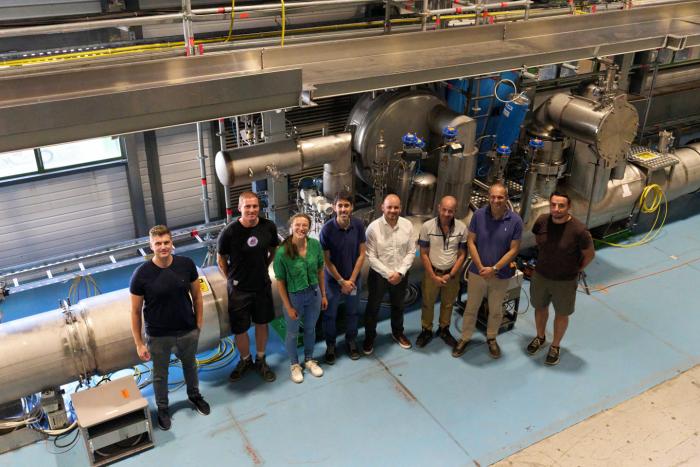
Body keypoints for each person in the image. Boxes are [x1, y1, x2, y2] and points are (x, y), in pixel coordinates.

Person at [130, 225, 210, 431]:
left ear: (171, 242)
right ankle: (163, 408)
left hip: (186, 330)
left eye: (166, 242)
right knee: (160, 374)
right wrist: (139, 343)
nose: (163, 247)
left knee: (190, 367)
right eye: (158, 243)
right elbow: (135, 311)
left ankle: (195, 396)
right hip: (158, 336)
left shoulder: (186, 265)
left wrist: (198, 324)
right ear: (151, 246)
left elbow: (197, 297)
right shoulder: (141, 274)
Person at [453, 182, 523, 359]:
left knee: (496, 309)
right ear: (488, 197)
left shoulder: (515, 221)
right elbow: (471, 242)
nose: (496, 200)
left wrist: (494, 268)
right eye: (493, 196)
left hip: (500, 275)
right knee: (471, 307)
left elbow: (514, 249)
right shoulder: (478, 215)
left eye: (500, 197)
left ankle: (492, 338)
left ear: (506, 198)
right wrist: (481, 266)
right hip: (478, 272)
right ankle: (465, 337)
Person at [526, 191, 595, 365]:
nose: (556, 209)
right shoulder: (542, 221)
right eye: (553, 205)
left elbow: (589, 254)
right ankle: (540, 337)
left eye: (561, 205)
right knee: (540, 308)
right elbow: (538, 240)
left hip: (565, 281)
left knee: (561, 314)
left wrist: (576, 269)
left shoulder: (579, 230)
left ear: (568, 207)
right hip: (541, 275)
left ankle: (555, 346)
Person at [217, 191, 279, 383]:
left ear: (259, 207)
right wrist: (232, 279)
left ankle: (260, 359)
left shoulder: (268, 227)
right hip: (239, 290)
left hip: (261, 285)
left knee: (262, 323)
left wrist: (264, 267)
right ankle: (245, 360)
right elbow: (221, 259)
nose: (252, 210)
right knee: (240, 329)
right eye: (247, 206)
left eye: (255, 206)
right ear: (240, 208)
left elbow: (273, 249)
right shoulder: (230, 232)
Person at [273, 213, 328, 383]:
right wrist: (288, 307)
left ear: (309, 227)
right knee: (292, 333)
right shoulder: (282, 252)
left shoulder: (315, 245)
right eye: (297, 225)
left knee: (311, 329)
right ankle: (295, 364)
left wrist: (323, 294)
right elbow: (280, 282)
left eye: (305, 225)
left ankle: (309, 360)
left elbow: (320, 270)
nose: (301, 228)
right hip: (294, 298)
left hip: (314, 295)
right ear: (291, 227)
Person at [363, 193, 416, 354]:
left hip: (401, 273)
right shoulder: (373, 228)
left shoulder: (408, 225)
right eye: (389, 207)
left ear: (400, 208)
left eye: (396, 207)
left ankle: (398, 333)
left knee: (398, 305)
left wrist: (399, 272)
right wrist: (388, 274)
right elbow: (370, 256)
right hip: (379, 275)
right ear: (382, 208)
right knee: (373, 307)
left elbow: (412, 251)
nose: (393, 210)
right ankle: (369, 337)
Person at [319, 191, 367, 363]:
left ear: (352, 207)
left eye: (346, 205)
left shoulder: (359, 225)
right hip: (332, 282)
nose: (343, 209)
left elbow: (362, 254)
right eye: (340, 205)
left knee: (352, 312)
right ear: (334, 208)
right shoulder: (327, 229)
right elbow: (326, 260)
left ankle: (351, 341)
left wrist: (351, 281)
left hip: (353, 280)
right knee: (329, 315)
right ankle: (331, 345)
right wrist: (341, 281)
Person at [416, 196, 467, 348]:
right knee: (427, 303)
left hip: (452, 274)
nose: (446, 213)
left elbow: (462, 254)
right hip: (432, 273)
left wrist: (451, 274)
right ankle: (426, 330)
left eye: (450, 211)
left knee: (448, 303)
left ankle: (444, 329)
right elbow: (423, 253)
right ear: (439, 208)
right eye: (444, 210)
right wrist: (433, 275)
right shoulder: (427, 227)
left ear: (455, 211)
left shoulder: (462, 228)